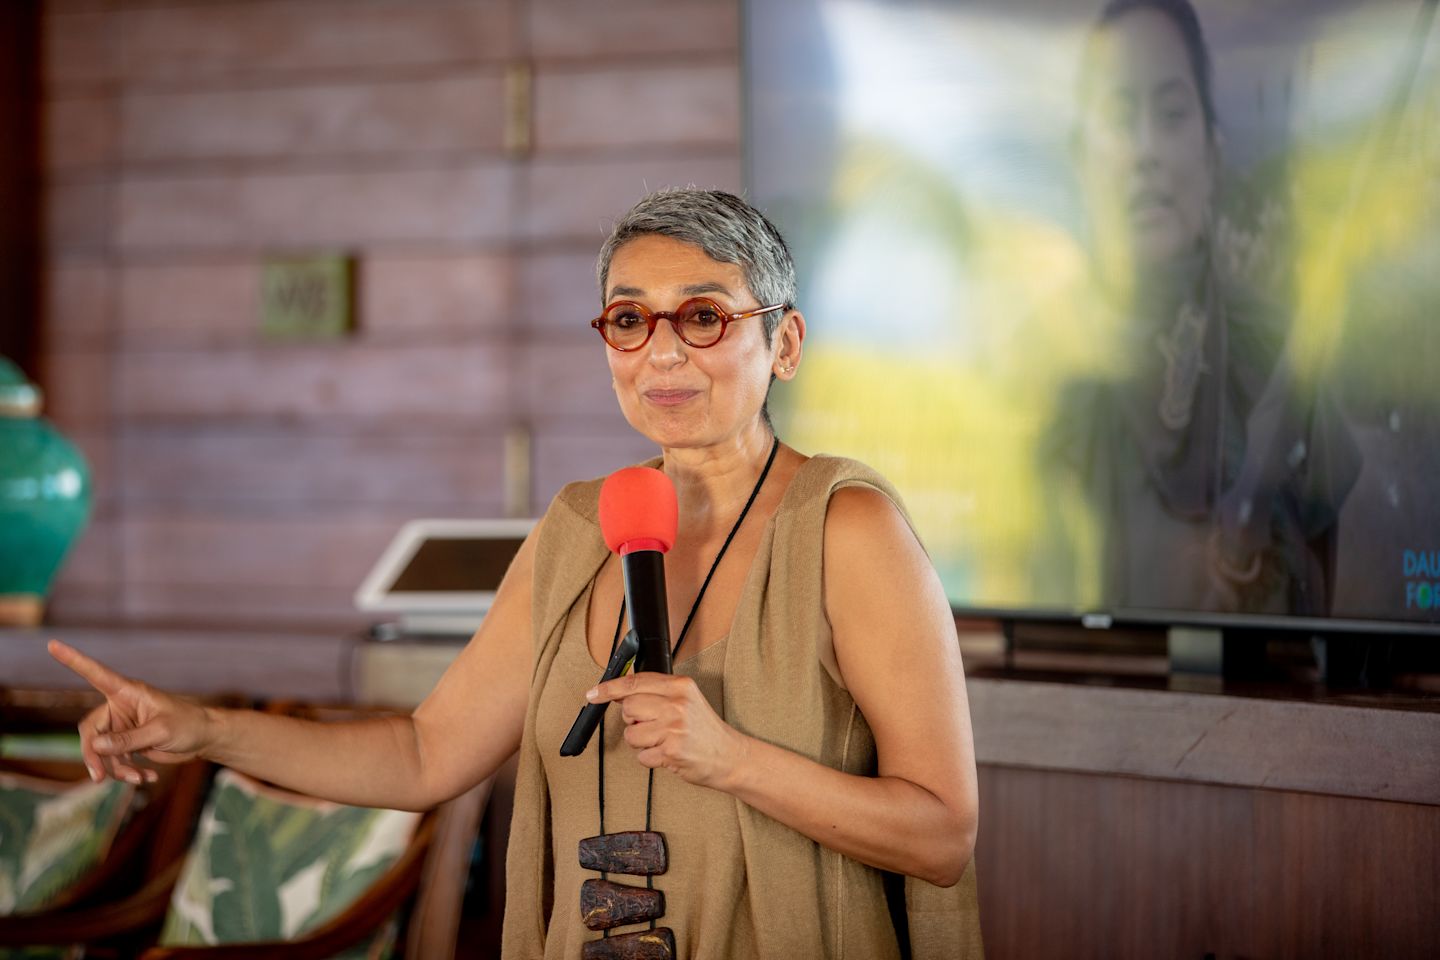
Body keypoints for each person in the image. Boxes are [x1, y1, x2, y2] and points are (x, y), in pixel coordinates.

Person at [49, 189, 982, 958]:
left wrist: (732, 758)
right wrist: (200, 727)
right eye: (629, 319)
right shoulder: (579, 527)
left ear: (782, 343)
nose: (661, 350)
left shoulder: (847, 527)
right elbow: (423, 757)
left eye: (703, 316)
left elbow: (941, 836)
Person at [1050, 0, 1360, 616]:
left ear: (1212, 155)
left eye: (1171, 114)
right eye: (1117, 116)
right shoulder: (1038, 375)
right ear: (1079, 162)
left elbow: (1331, 604)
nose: (1146, 151)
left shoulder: (1276, 354)